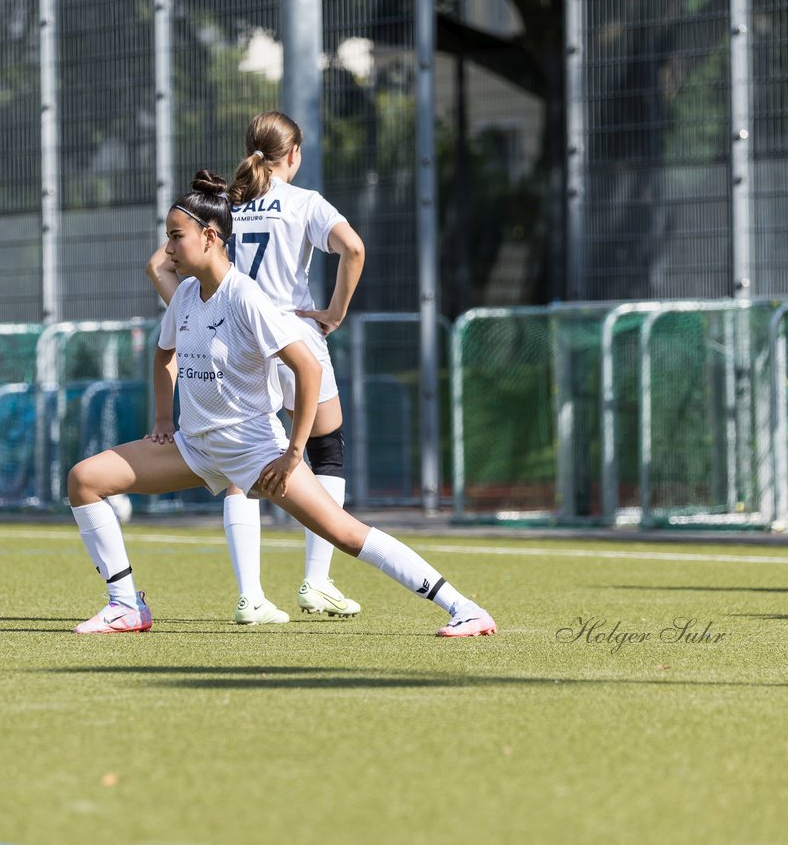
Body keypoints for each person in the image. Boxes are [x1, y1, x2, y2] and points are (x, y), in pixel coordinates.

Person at [71, 171, 495, 638]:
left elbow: (307, 367)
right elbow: (163, 356)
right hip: (195, 447)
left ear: (210, 237)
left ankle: (465, 608)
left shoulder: (247, 298)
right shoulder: (188, 294)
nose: (167, 250)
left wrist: (294, 452)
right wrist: (162, 420)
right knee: (85, 480)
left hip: (256, 450)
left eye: (175, 237)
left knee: (346, 533)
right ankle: (126, 606)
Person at [145, 111, 364, 625]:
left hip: (232, 337)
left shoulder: (225, 207)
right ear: (294, 155)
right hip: (289, 334)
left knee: (240, 467)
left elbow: (158, 264)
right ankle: (317, 581)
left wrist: (187, 309)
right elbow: (353, 246)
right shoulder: (303, 201)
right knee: (326, 451)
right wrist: (335, 312)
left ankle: (250, 596)